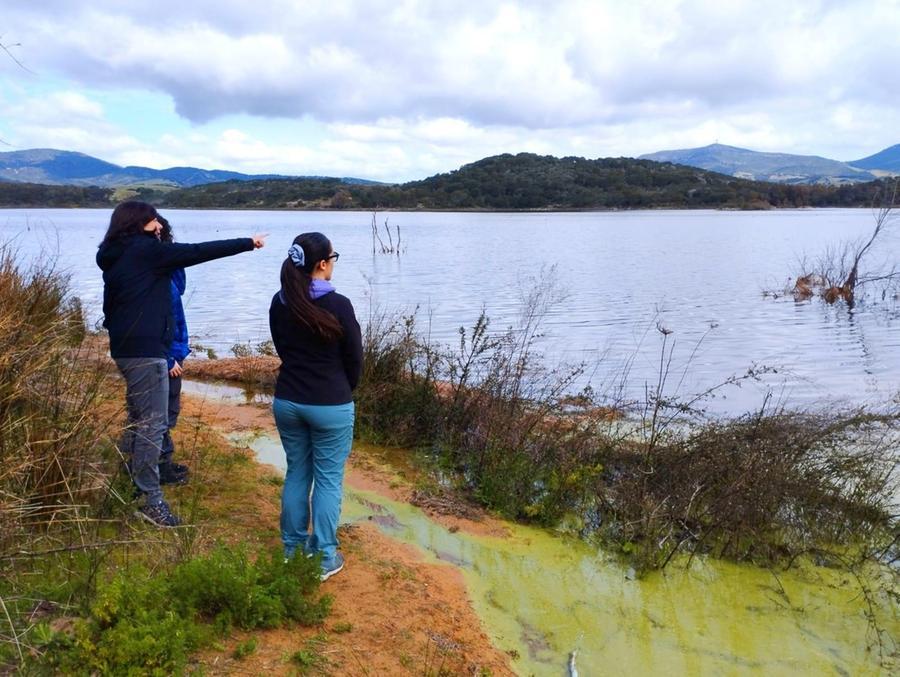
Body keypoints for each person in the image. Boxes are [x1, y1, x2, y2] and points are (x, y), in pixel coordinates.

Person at [97, 200, 267, 527]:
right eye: (152, 222)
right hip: (147, 353)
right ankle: (150, 501)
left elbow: (109, 308)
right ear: (137, 224)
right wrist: (248, 243)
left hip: (125, 349)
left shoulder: (115, 255)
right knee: (153, 425)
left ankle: (127, 484)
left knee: (138, 418)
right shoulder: (146, 251)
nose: (159, 226)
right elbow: (199, 251)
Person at [269, 232, 362, 581]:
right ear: (322, 263)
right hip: (330, 404)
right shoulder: (339, 305)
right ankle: (324, 556)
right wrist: (342, 390)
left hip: (288, 400)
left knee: (297, 472)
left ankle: (292, 550)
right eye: (333, 257)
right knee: (327, 480)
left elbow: (283, 350)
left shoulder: (280, 302)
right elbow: (355, 359)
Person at [157, 216, 190, 486]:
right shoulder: (154, 278)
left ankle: (163, 463)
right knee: (160, 413)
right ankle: (158, 468)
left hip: (173, 349)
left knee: (167, 412)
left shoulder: (169, 271)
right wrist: (169, 358)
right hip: (163, 354)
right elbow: (157, 320)